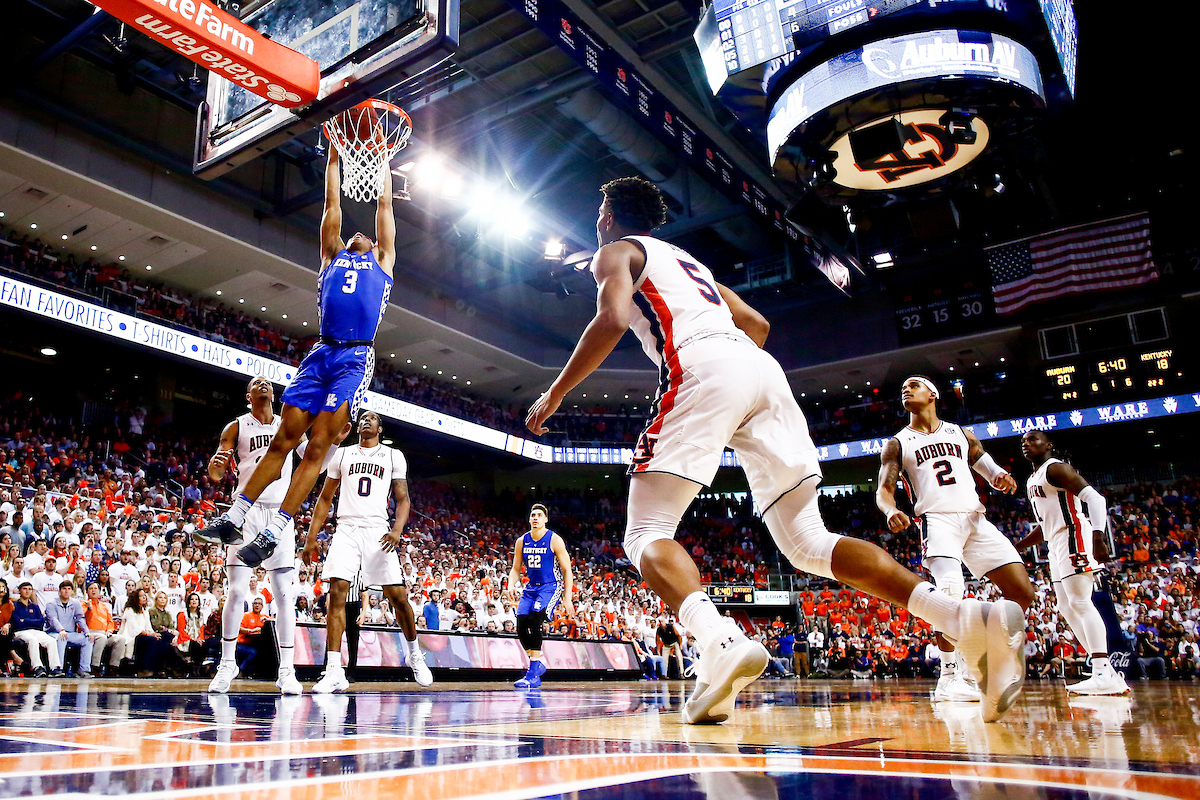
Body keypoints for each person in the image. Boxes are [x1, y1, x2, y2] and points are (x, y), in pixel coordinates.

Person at [524, 177, 1026, 723]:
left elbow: (613, 319)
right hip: (762, 370)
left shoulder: (615, 252)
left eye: (600, 211)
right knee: (808, 542)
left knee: (646, 531)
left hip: (703, 364)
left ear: (608, 216)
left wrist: (556, 394)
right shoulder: (693, 266)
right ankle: (962, 619)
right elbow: (757, 325)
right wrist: (735, 391)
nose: (598, 221)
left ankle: (718, 641)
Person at [201, 145, 398, 570]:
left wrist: (381, 159)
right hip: (321, 352)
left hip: (355, 357)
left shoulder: (383, 260)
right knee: (283, 440)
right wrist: (334, 157)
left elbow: (384, 204)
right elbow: (331, 204)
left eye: (366, 235)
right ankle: (235, 517)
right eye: (352, 233)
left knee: (319, 444)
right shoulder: (332, 255)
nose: (359, 233)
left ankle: (275, 530)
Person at [876, 376, 1035, 704]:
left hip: (975, 519)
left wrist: (1000, 477)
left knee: (1022, 592)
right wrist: (890, 509)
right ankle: (949, 677)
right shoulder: (898, 443)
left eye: (914, 385)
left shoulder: (961, 433)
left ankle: (988, 641)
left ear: (932, 394)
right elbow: (884, 489)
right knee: (949, 594)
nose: (906, 389)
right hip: (937, 520)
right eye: (903, 387)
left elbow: (987, 465)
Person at [202, 377, 340, 695]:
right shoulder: (236, 426)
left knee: (284, 595)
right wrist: (214, 467)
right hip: (246, 512)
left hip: (280, 515)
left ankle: (286, 670)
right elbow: (217, 473)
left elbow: (316, 463)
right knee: (236, 591)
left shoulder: (288, 425)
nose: (263, 384)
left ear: (275, 395)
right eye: (256, 383)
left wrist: (333, 441)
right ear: (248, 395)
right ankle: (227, 664)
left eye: (267, 383)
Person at [306, 411, 431, 692]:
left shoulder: (393, 456)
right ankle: (334, 670)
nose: (366, 420)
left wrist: (397, 530)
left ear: (380, 428)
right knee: (337, 593)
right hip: (347, 528)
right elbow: (325, 498)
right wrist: (312, 536)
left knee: (397, 596)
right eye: (362, 417)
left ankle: (414, 654)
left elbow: (403, 499)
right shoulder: (342, 453)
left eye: (372, 418)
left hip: (378, 529)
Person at [1018, 430, 1130, 695]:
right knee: (1066, 606)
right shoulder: (1033, 478)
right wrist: (1016, 547)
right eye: (1023, 441)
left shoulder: (1055, 468)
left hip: (1073, 535)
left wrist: (1098, 537)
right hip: (1055, 541)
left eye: (1033, 439)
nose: (1026, 444)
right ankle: (1106, 672)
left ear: (1049, 445)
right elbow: (1045, 525)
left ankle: (1101, 670)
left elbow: (1096, 499)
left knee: (1080, 602)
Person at [504, 504, 575, 688]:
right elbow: (516, 569)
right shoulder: (522, 541)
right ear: (529, 519)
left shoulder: (554, 539)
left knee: (535, 620)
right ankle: (537, 665)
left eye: (539, 515)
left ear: (545, 519)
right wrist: (511, 585)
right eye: (533, 515)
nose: (535, 518)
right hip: (531, 588)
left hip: (550, 587)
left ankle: (533, 674)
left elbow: (567, 570)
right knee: (521, 626)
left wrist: (567, 598)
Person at [11, 581, 62, 677]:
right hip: (20, 632)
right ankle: (37, 667)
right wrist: (31, 621)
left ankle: (55, 668)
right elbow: (17, 623)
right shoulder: (14, 605)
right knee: (32, 640)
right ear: (19, 591)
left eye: (29, 589)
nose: (27, 591)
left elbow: (41, 622)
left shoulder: (34, 606)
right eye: (24, 589)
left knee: (51, 640)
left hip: (35, 631)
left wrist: (25, 620)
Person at [46, 580, 94, 677]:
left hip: (71, 633)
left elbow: (80, 618)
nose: (66, 591)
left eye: (69, 589)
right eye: (64, 589)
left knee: (87, 639)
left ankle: (84, 670)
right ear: (59, 591)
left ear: (72, 591)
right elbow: (53, 619)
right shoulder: (51, 603)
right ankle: (58, 669)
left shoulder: (75, 603)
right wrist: (61, 630)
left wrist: (87, 631)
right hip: (54, 633)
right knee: (62, 638)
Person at [84, 582, 127, 676]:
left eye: (95, 588)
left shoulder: (104, 606)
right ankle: (95, 666)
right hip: (90, 632)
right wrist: (89, 609)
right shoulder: (84, 604)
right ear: (87, 591)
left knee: (121, 639)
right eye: (91, 589)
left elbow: (110, 621)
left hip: (104, 632)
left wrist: (109, 631)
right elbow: (84, 620)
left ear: (99, 591)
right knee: (101, 638)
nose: (93, 591)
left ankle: (113, 667)